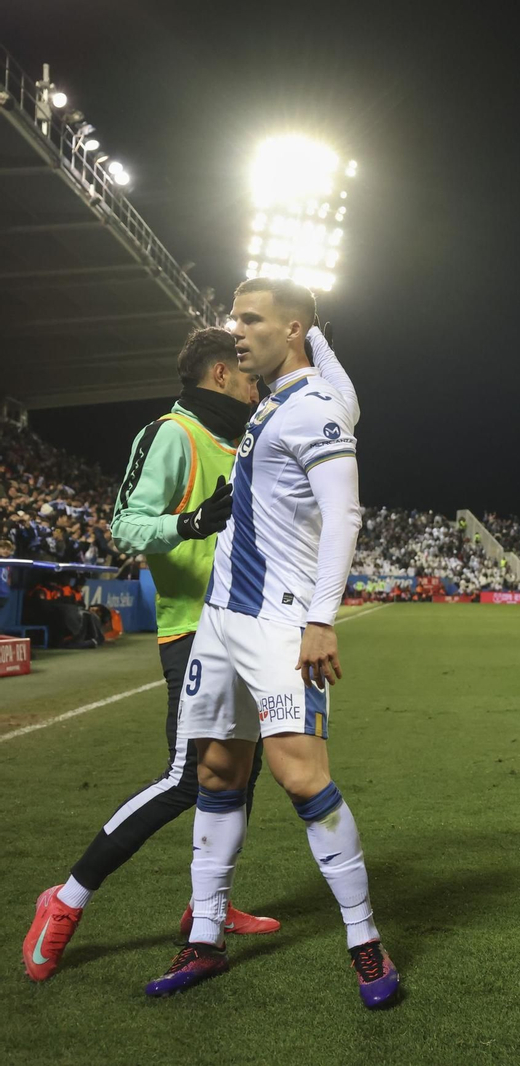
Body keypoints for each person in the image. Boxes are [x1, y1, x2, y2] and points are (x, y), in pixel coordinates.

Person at [142, 277, 395, 1008]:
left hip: (282, 623)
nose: (234, 331)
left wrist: (323, 620)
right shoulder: (293, 394)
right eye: (234, 317)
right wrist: (308, 327)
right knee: (218, 774)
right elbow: (324, 354)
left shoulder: (314, 409)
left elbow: (344, 518)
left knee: (301, 778)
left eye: (250, 320)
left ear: (290, 332)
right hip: (220, 619)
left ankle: (365, 942)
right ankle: (207, 938)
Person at [24, 328, 282, 982]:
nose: (258, 389)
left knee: (241, 776)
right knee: (188, 779)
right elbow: (126, 523)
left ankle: (208, 909)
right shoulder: (172, 433)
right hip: (193, 629)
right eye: (250, 377)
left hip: (245, 628)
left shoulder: (238, 444)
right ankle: (66, 897)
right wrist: (191, 523)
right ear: (220, 374)